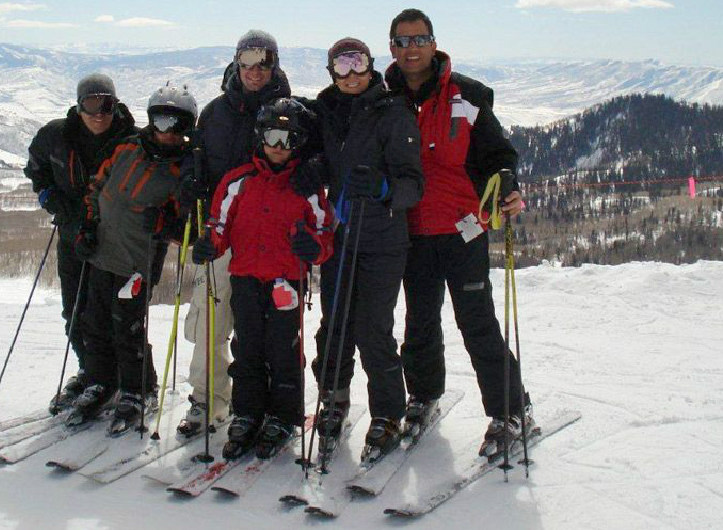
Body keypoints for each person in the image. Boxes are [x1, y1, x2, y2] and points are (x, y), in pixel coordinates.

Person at [385, 8, 530, 458]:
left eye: (419, 39)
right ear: (392, 48)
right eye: (403, 41)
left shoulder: (466, 95)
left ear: (434, 43)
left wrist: (508, 182)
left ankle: (511, 410)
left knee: (477, 322)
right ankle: (424, 396)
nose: (411, 48)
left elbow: (499, 155)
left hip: (463, 229)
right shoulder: (384, 99)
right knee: (419, 322)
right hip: (412, 230)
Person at [191, 98, 334, 460]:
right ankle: (248, 411)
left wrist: (311, 248)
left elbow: (325, 234)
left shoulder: (307, 187)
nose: (279, 147)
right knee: (249, 346)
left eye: (289, 139)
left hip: (286, 281)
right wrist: (210, 244)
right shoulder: (238, 181)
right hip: (246, 278)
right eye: (272, 136)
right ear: (260, 136)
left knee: (284, 349)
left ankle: (283, 415)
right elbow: (218, 223)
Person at [306, 37, 424, 463]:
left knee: (373, 329)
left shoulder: (392, 113)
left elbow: (414, 184)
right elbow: (318, 158)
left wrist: (384, 187)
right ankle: (334, 399)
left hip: (382, 240)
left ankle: (388, 413)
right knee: (334, 326)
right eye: (342, 66)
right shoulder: (326, 112)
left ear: (372, 66)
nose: (351, 74)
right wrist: (313, 169)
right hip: (339, 238)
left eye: (358, 64)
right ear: (331, 71)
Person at [177, 29, 293, 437]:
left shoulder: (290, 111)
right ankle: (208, 399)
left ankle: (262, 404)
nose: (254, 70)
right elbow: (198, 160)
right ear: (236, 62)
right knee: (211, 314)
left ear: (274, 64)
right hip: (223, 231)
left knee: (262, 327)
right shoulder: (215, 113)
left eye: (263, 62)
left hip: (270, 237)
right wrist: (190, 180)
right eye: (247, 61)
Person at [64, 86, 197, 435]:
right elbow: (97, 186)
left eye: (175, 123)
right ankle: (100, 381)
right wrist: (87, 226)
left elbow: (189, 226)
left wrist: (167, 224)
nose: (166, 130)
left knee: (127, 325)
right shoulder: (127, 148)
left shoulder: (183, 169)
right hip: (102, 252)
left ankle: (139, 388)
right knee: (94, 321)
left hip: (138, 261)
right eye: (159, 119)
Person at [24, 73, 137, 412]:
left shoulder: (130, 140)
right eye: (91, 104)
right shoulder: (55, 135)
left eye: (105, 104)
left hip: (114, 238)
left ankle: (120, 375)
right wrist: (50, 198)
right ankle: (91, 371)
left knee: (110, 312)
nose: (98, 113)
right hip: (72, 230)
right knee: (73, 307)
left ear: (115, 105)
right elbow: (36, 169)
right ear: (78, 106)